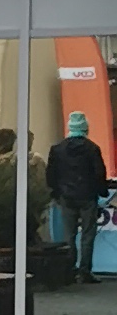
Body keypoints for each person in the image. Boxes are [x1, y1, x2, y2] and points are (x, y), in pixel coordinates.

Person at [48, 113, 109, 280]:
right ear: (85, 128)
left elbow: (51, 174)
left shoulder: (57, 149)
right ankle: (85, 271)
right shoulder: (92, 148)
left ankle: (68, 269)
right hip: (88, 196)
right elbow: (99, 173)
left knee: (69, 234)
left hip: (66, 196)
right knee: (88, 234)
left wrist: (56, 192)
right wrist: (102, 191)